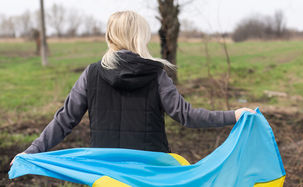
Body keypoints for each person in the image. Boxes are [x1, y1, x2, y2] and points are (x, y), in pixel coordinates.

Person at [11, 11, 255, 164]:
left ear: (110, 37)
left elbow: (64, 121)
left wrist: (31, 152)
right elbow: (187, 116)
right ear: (140, 37)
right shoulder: (156, 73)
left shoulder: (92, 74)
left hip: (106, 171)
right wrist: (233, 115)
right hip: (151, 169)